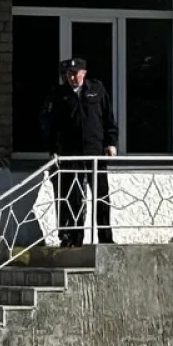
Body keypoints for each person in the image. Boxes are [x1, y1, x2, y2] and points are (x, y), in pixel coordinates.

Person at [42, 56, 119, 246]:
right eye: (69, 74)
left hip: (95, 151)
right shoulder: (60, 94)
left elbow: (108, 117)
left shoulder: (96, 90)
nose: (72, 77)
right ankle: (75, 238)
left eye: (75, 73)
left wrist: (111, 142)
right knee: (74, 197)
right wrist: (53, 149)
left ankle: (105, 238)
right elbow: (52, 125)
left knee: (101, 195)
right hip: (71, 152)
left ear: (84, 73)